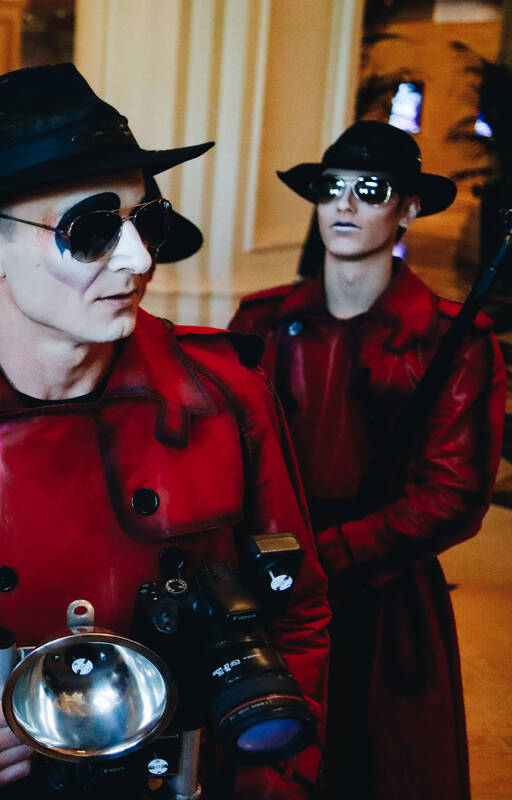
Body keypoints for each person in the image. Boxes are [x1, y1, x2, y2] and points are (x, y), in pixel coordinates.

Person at [0, 63, 331, 798]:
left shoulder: (226, 398)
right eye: (90, 230)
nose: (139, 258)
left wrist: (272, 779)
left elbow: (299, 607)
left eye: (145, 220)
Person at [229, 121, 506, 800]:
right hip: (269, 585)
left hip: (386, 595)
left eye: (370, 190)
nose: (344, 205)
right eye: (331, 188)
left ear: (408, 208)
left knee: (379, 765)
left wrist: (324, 561)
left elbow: (452, 498)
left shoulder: (454, 341)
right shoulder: (259, 324)